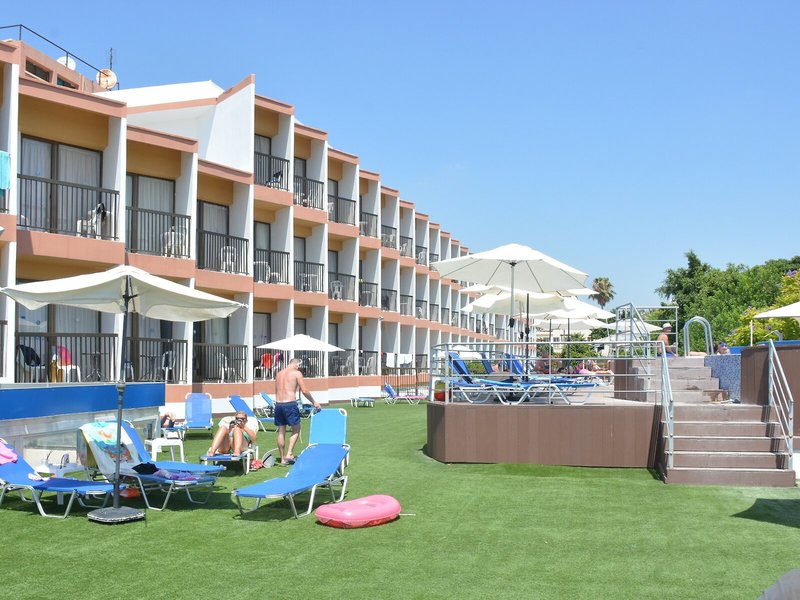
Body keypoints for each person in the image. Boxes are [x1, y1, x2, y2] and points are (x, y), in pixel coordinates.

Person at [274, 358, 321, 465]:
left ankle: (282, 459)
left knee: (281, 431)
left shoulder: (279, 373)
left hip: (278, 404)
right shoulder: (296, 373)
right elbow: (304, 390)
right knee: (296, 429)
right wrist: (314, 402)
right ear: (297, 365)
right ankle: (289, 453)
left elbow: (276, 390)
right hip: (290, 404)